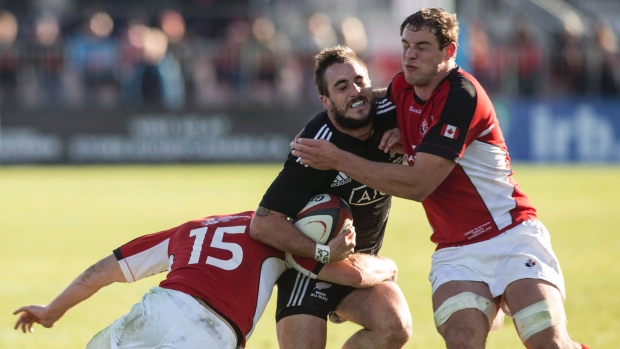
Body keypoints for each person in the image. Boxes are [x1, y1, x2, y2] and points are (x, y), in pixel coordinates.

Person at [290, 8, 590, 349]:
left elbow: (419, 184)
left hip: (511, 235)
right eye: (405, 45)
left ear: (449, 52)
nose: (409, 55)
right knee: (462, 340)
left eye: (421, 47)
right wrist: (320, 124)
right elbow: (360, 99)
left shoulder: (462, 96)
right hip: (456, 251)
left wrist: (337, 158)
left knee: (547, 340)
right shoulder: (403, 86)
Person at [13, 209, 398, 349]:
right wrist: (389, 267)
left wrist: (50, 312)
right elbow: (352, 274)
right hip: (212, 333)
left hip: (157, 310)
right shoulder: (280, 237)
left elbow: (100, 273)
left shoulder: (190, 229)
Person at [250, 45, 412, 349]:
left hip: (362, 264)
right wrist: (321, 252)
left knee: (395, 327)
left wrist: (413, 141)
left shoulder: (396, 113)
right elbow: (263, 223)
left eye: (360, 81)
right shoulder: (314, 147)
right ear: (326, 102)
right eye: (341, 87)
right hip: (310, 268)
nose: (355, 91)